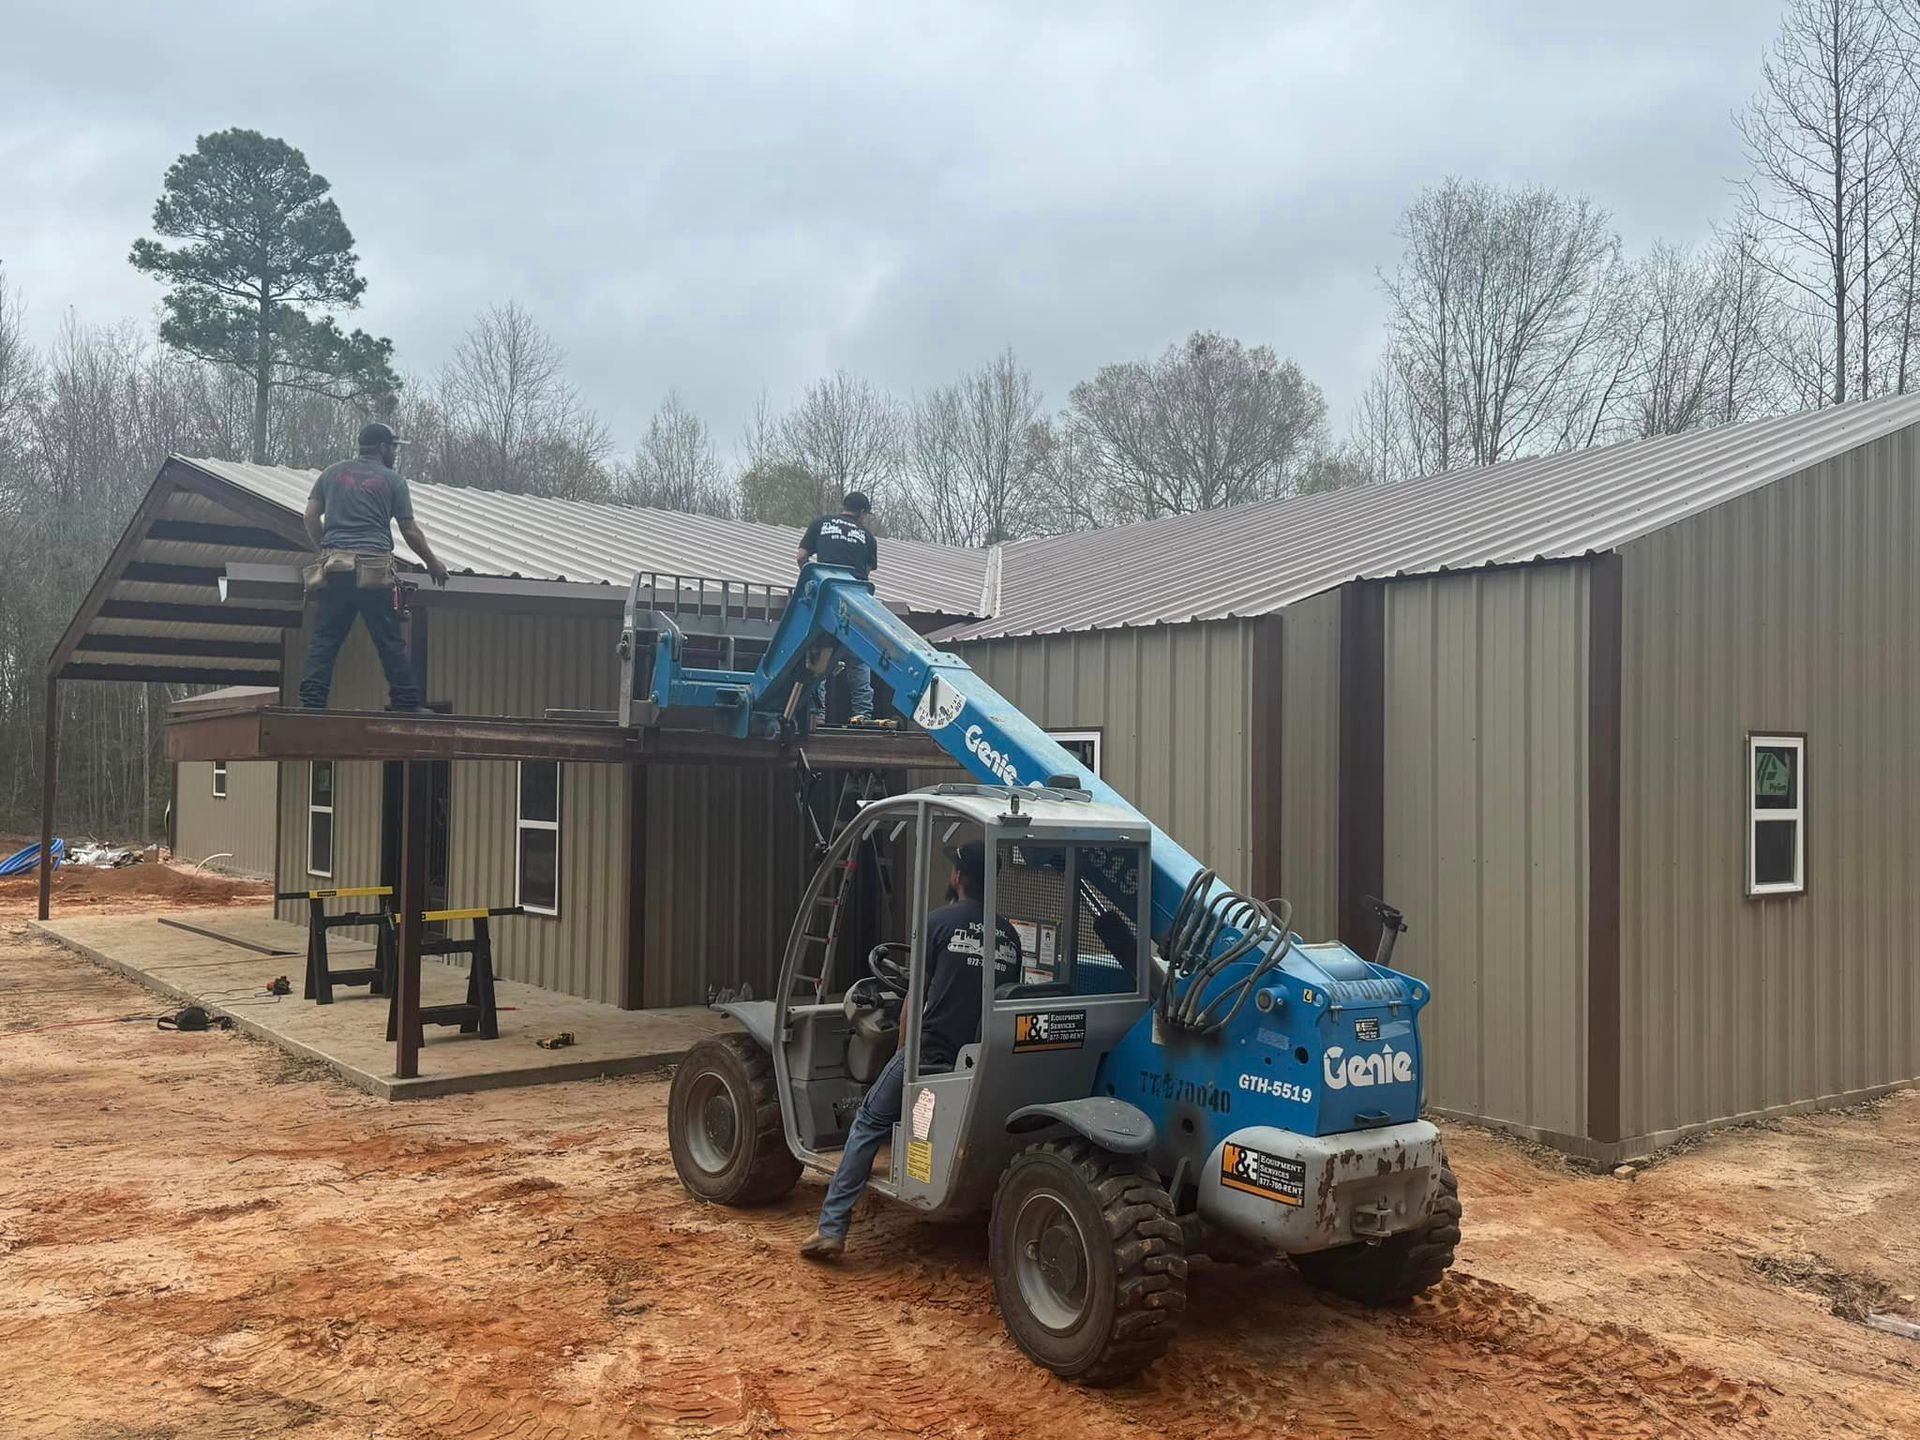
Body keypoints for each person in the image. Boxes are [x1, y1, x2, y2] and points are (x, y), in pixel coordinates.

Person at [800, 841, 1020, 1260]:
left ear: (958, 876)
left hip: (931, 1054)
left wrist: (902, 1055)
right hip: (978, 1058)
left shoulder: (938, 923)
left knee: (867, 1121)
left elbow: (913, 998)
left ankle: (831, 1228)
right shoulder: (1009, 935)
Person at [299, 422, 450, 711]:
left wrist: (326, 550)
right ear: (382, 448)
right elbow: (410, 530)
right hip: (373, 571)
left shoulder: (331, 473)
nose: (394, 452)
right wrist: (433, 563)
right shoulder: (392, 481)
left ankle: (311, 704)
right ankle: (406, 703)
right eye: (393, 447)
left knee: (326, 639)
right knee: (389, 640)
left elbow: (309, 517)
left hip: (336, 569)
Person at [796, 491, 879, 723]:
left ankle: (817, 716)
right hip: (855, 606)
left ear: (844, 507)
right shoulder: (867, 536)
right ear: (862, 513)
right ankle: (862, 714)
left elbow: (801, 556)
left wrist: (811, 581)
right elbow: (867, 574)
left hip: (826, 604)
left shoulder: (821, 524)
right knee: (859, 660)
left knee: (819, 661)